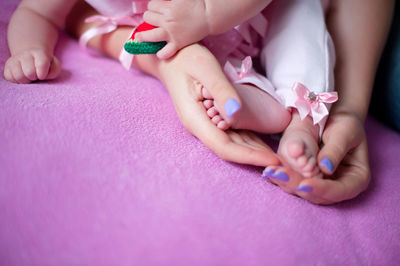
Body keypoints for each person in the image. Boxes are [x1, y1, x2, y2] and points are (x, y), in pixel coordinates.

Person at [3, 0, 394, 204]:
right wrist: (29, 48)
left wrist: (209, 13)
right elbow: (36, 11)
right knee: (212, 70)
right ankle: (254, 103)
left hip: (257, 14)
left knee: (299, 16)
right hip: (203, 46)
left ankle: (305, 118)